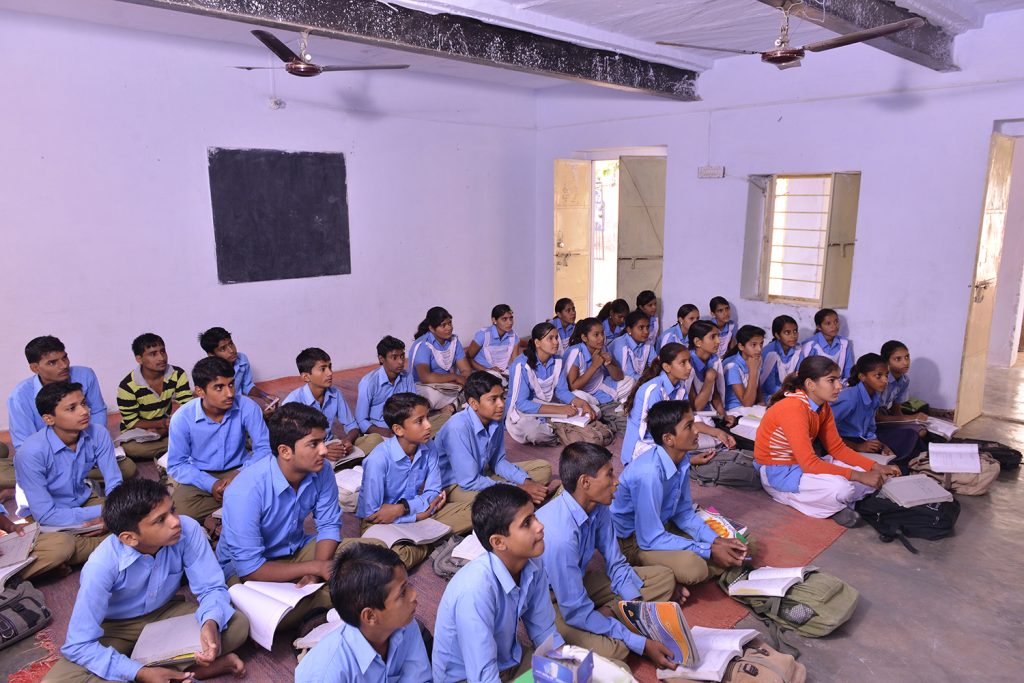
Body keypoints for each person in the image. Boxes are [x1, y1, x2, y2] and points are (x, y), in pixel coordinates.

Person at [44, 478, 249, 683]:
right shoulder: (101, 565)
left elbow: (211, 587)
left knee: (236, 625)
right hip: (116, 627)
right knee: (58, 681)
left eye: (173, 510)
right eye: (160, 520)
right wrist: (139, 672)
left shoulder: (188, 529)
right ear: (129, 538)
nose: (175, 521)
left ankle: (162, 674)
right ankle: (181, 672)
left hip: (164, 613)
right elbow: (78, 644)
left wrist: (210, 622)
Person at [218, 403, 381, 633]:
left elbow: (328, 525)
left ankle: (320, 601)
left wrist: (314, 573)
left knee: (374, 549)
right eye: (314, 444)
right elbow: (250, 568)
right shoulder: (244, 491)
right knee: (250, 619)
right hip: (248, 570)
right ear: (285, 451)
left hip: (295, 551)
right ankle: (337, 597)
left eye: (323, 441)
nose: (324, 450)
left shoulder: (321, 470)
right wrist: (317, 566)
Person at [536, 443, 677, 669]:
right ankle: (610, 615)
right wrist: (641, 642)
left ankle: (611, 612)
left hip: (578, 585)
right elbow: (574, 610)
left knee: (664, 578)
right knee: (617, 649)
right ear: (585, 482)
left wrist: (634, 605)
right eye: (609, 474)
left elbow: (616, 563)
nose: (616, 481)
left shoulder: (599, 507)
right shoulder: (560, 535)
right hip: (551, 601)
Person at [432, 485, 562, 683]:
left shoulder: (532, 562)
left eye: (534, 516)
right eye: (527, 523)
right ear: (498, 542)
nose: (540, 526)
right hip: (468, 677)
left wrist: (567, 665)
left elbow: (543, 629)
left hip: (508, 661)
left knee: (578, 672)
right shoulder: (475, 590)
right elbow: (483, 676)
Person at [611, 400, 748, 585]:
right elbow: (649, 537)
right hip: (634, 541)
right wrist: (708, 549)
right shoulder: (649, 473)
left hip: (661, 525)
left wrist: (715, 541)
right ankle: (647, 572)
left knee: (741, 542)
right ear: (669, 439)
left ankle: (713, 562)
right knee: (694, 569)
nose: (697, 431)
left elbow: (683, 513)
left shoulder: (682, 460)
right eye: (689, 426)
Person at [754, 356, 901, 527]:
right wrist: (860, 476)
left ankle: (831, 503)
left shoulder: (823, 407)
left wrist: (875, 467)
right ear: (810, 384)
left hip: (802, 467)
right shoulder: (793, 408)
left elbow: (837, 448)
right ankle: (792, 498)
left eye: (838, 379)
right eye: (832, 380)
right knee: (843, 488)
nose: (839, 386)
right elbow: (809, 463)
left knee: (877, 476)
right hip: (779, 474)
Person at [14, 382, 124, 579]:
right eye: (72, 408)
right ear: (49, 419)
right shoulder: (31, 453)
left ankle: (100, 547)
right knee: (63, 546)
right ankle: (116, 544)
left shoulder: (97, 433)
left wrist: (115, 509)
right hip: (44, 516)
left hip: (82, 499)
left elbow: (114, 482)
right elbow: (46, 515)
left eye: (84, 403)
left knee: (134, 515)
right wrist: (106, 513)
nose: (84, 411)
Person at [357, 393, 473, 569]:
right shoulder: (378, 460)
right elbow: (371, 514)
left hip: (418, 512)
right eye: (420, 421)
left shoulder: (428, 446)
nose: (428, 425)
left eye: (427, 417)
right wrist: (419, 514)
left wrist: (406, 509)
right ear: (398, 430)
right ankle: (435, 542)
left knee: (475, 508)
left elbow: (434, 491)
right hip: (383, 523)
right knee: (392, 559)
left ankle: (427, 542)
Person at [294, 543, 430, 683]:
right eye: (402, 593)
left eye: (408, 586)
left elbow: (420, 678)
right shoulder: (327, 672)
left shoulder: (406, 623)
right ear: (370, 616)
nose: (414, 594)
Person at [167, 356, 272, 522]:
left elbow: (265, 449)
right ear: (200, 391)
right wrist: (211, 484)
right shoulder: (182, 417)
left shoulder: (247, 406)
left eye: (231, 384)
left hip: (241, 468)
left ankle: (226, 509)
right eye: (219, 387)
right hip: (202, 473)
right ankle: (236, 504)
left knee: (275, 491)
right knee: (180, 511)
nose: (230, 393)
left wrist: (239, 473)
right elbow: (177, 465)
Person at [436, 371, 554, 505]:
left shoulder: (494, 419)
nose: (501, 404)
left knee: (543, 468)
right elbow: (469, 481)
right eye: (493, 399)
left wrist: (526, 482)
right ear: (474, 403)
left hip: (482, 473)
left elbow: (498, 462)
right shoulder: (457, 428)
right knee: (490, 504)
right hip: (457, 485)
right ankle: (524, 497)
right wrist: (516, 488)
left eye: (502, 397)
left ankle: (525, 496)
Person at [621, 343, 734, 466]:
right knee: (694, 446)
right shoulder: (654, 390)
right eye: (683, 363)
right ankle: (686, 461)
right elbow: (657, 434)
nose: (690, 367)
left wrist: (717, 432)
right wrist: (686, 457)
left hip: (667, 438)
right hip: (644, 445)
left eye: (689, 361)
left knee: (715, 441)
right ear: (667, 367)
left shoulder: (680, 387)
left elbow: (690, 418)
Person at [505, 322, 598, 446]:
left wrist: (583, 403)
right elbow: (521, 403)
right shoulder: (521, 365)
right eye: (550, 338)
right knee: (532, 431)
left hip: (548, 404)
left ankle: (561, 427)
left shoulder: (557, 361)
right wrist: (559, 410)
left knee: (590, 406)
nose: (556, 342)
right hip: (524, 410)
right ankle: (564, 430)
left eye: (556, 337)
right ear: (537, 343)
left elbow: (561, 391)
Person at [8, 336, 107, 451]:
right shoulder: (19, 397)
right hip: (48, 454)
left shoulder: (85, 375)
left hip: (86, 444)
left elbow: (98, 410)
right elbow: (24, 443)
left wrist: (95, 443)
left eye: (64, 358)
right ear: (35, 368)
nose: (64, 365)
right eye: (52, 363)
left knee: (126, 467)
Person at [283, 347, 382, 459]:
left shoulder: (335, 393)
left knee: (375, 439)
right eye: (323, 369)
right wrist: (322, 451)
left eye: (330, 367)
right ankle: (347, 462)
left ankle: (343, 463)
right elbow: (291, 444)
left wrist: (347, 441)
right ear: (306, 377)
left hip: (332, 444)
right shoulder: (292, 402)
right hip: (311, 452)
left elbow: (351, 425)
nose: (330, 373)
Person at [831, 353, 924, 465]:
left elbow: (870, 428)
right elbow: (826, 432)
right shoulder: (849, 399)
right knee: (898, 460)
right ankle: (900, 462)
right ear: (862, 377)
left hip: (863, 438)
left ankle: (899, 460)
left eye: (886, 375)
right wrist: (858, 446)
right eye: (878, 376)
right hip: (845, 440)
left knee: (910, 435)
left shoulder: (874, 397)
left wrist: (880, 444)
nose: (885, 380)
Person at [115, 333, 193, 460]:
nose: (161, 357)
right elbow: (131, 422)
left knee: (194, 427)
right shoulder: (128, 386)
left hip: (165, 428)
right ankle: (178, 447)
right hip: (140, 431)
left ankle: (167, 449)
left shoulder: (177, 374)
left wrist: (163, 430)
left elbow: (187, 406)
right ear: (139, 359)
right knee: (131, 448)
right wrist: (161, 424)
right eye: (153, 354)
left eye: (163, 351)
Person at [564, 318, 634, 431]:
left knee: (629, 381)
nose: (601, 338)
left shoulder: (603, 347)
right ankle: (601, 410)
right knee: (577, 396)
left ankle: (599, 409)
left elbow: (619, 376)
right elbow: (572, 386)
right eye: (596, 335)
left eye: (602, 333)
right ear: (584, 338)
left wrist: (609, 364)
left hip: (599, 389)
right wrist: (594, 366)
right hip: (583, 394)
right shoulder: (576, 352)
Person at [409, 306, 473, 414]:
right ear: (432, 328)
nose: (449, 328)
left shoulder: (454, 341)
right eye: (443, 325)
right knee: (427, 398)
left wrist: (462, 381)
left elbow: (466, 370)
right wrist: (455, 377)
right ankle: (452, 405)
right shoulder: (424, 345)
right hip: (425, 387)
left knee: (475, 384)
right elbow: (425, 377)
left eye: (450, 323)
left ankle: (450, 406)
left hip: (449, 386)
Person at [199, 326, 278, 412]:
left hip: (240, 404)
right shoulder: (207, 372)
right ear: (211, 355)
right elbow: (217, 404)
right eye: (223, 349)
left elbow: (247, 386)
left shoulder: (242, 359)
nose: (231, 350)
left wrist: (265, 396)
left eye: (231, 344)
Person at [466, 305, 521, 380]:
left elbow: (515, 361)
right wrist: (487, 370)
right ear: (494, 320)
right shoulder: (483, 335)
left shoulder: (514, 336)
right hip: (482, 373)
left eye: (511, 318)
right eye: (504, 319)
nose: (510, 322)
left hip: (502, 373)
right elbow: (467, 357)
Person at [800, 308, 855, 381]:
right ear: (819, 327)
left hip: (839, 384)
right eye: (828, 323)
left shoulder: (845, 343)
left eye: (836, 322)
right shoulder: (810, 345)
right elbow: (804, 372)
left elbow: (848, 371)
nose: (834, 326)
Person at [687, 321, 728, 417]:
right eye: (712, 337)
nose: (718, 341)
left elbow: (715, 394)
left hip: (711, 412)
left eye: (718, 336)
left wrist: (724, 416)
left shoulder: (714, 360)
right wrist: (709, 380)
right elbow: (696, 408)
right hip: (694, 416)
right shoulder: (687, 363)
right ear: (698, 342)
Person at [723, 325, 766, 412]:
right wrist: (753, 371)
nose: (759, 349)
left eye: (761, 344)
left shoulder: (756, 359)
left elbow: (757, 387)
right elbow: (746, 403)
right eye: (754, 345)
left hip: (752, 407)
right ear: (741, 346)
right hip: (734, 410)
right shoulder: (732, 366)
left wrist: (761, 402)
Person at [759, 315, 804, 398]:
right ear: (777, 335)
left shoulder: (799, 350)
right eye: (787, 332)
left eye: (795, 331)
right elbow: (770, 387)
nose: (793, 336)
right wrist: (789, 394)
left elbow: (800, 376)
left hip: (792, 392)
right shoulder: (770, 353)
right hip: (770, 395)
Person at [609, 310, 653, 380]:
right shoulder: (621, 345)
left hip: (636, 380)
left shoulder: (647, 342)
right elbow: (629, 375)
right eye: (641, 328)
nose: (646, 332)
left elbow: (656, 365)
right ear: (629, 330)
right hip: (616, 382)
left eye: (647, 327)